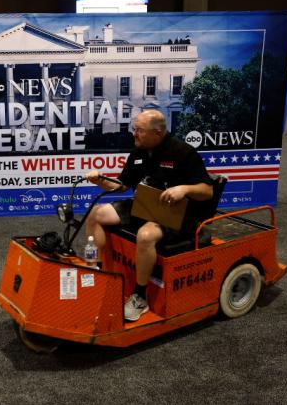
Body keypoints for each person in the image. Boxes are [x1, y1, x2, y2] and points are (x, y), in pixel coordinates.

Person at [84, 109, 213, 321]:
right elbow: (121, 185)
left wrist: (184, 189)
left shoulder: (183, 152)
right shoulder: (139, 152)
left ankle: (140, 296)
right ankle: (93, 268)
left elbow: (207, 191)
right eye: (134, 129)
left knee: (145, 235)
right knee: (95, 214)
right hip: (143, 206)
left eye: (140, 130)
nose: (134, 134)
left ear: (157, 132)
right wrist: (100, 180)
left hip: (174, 215)